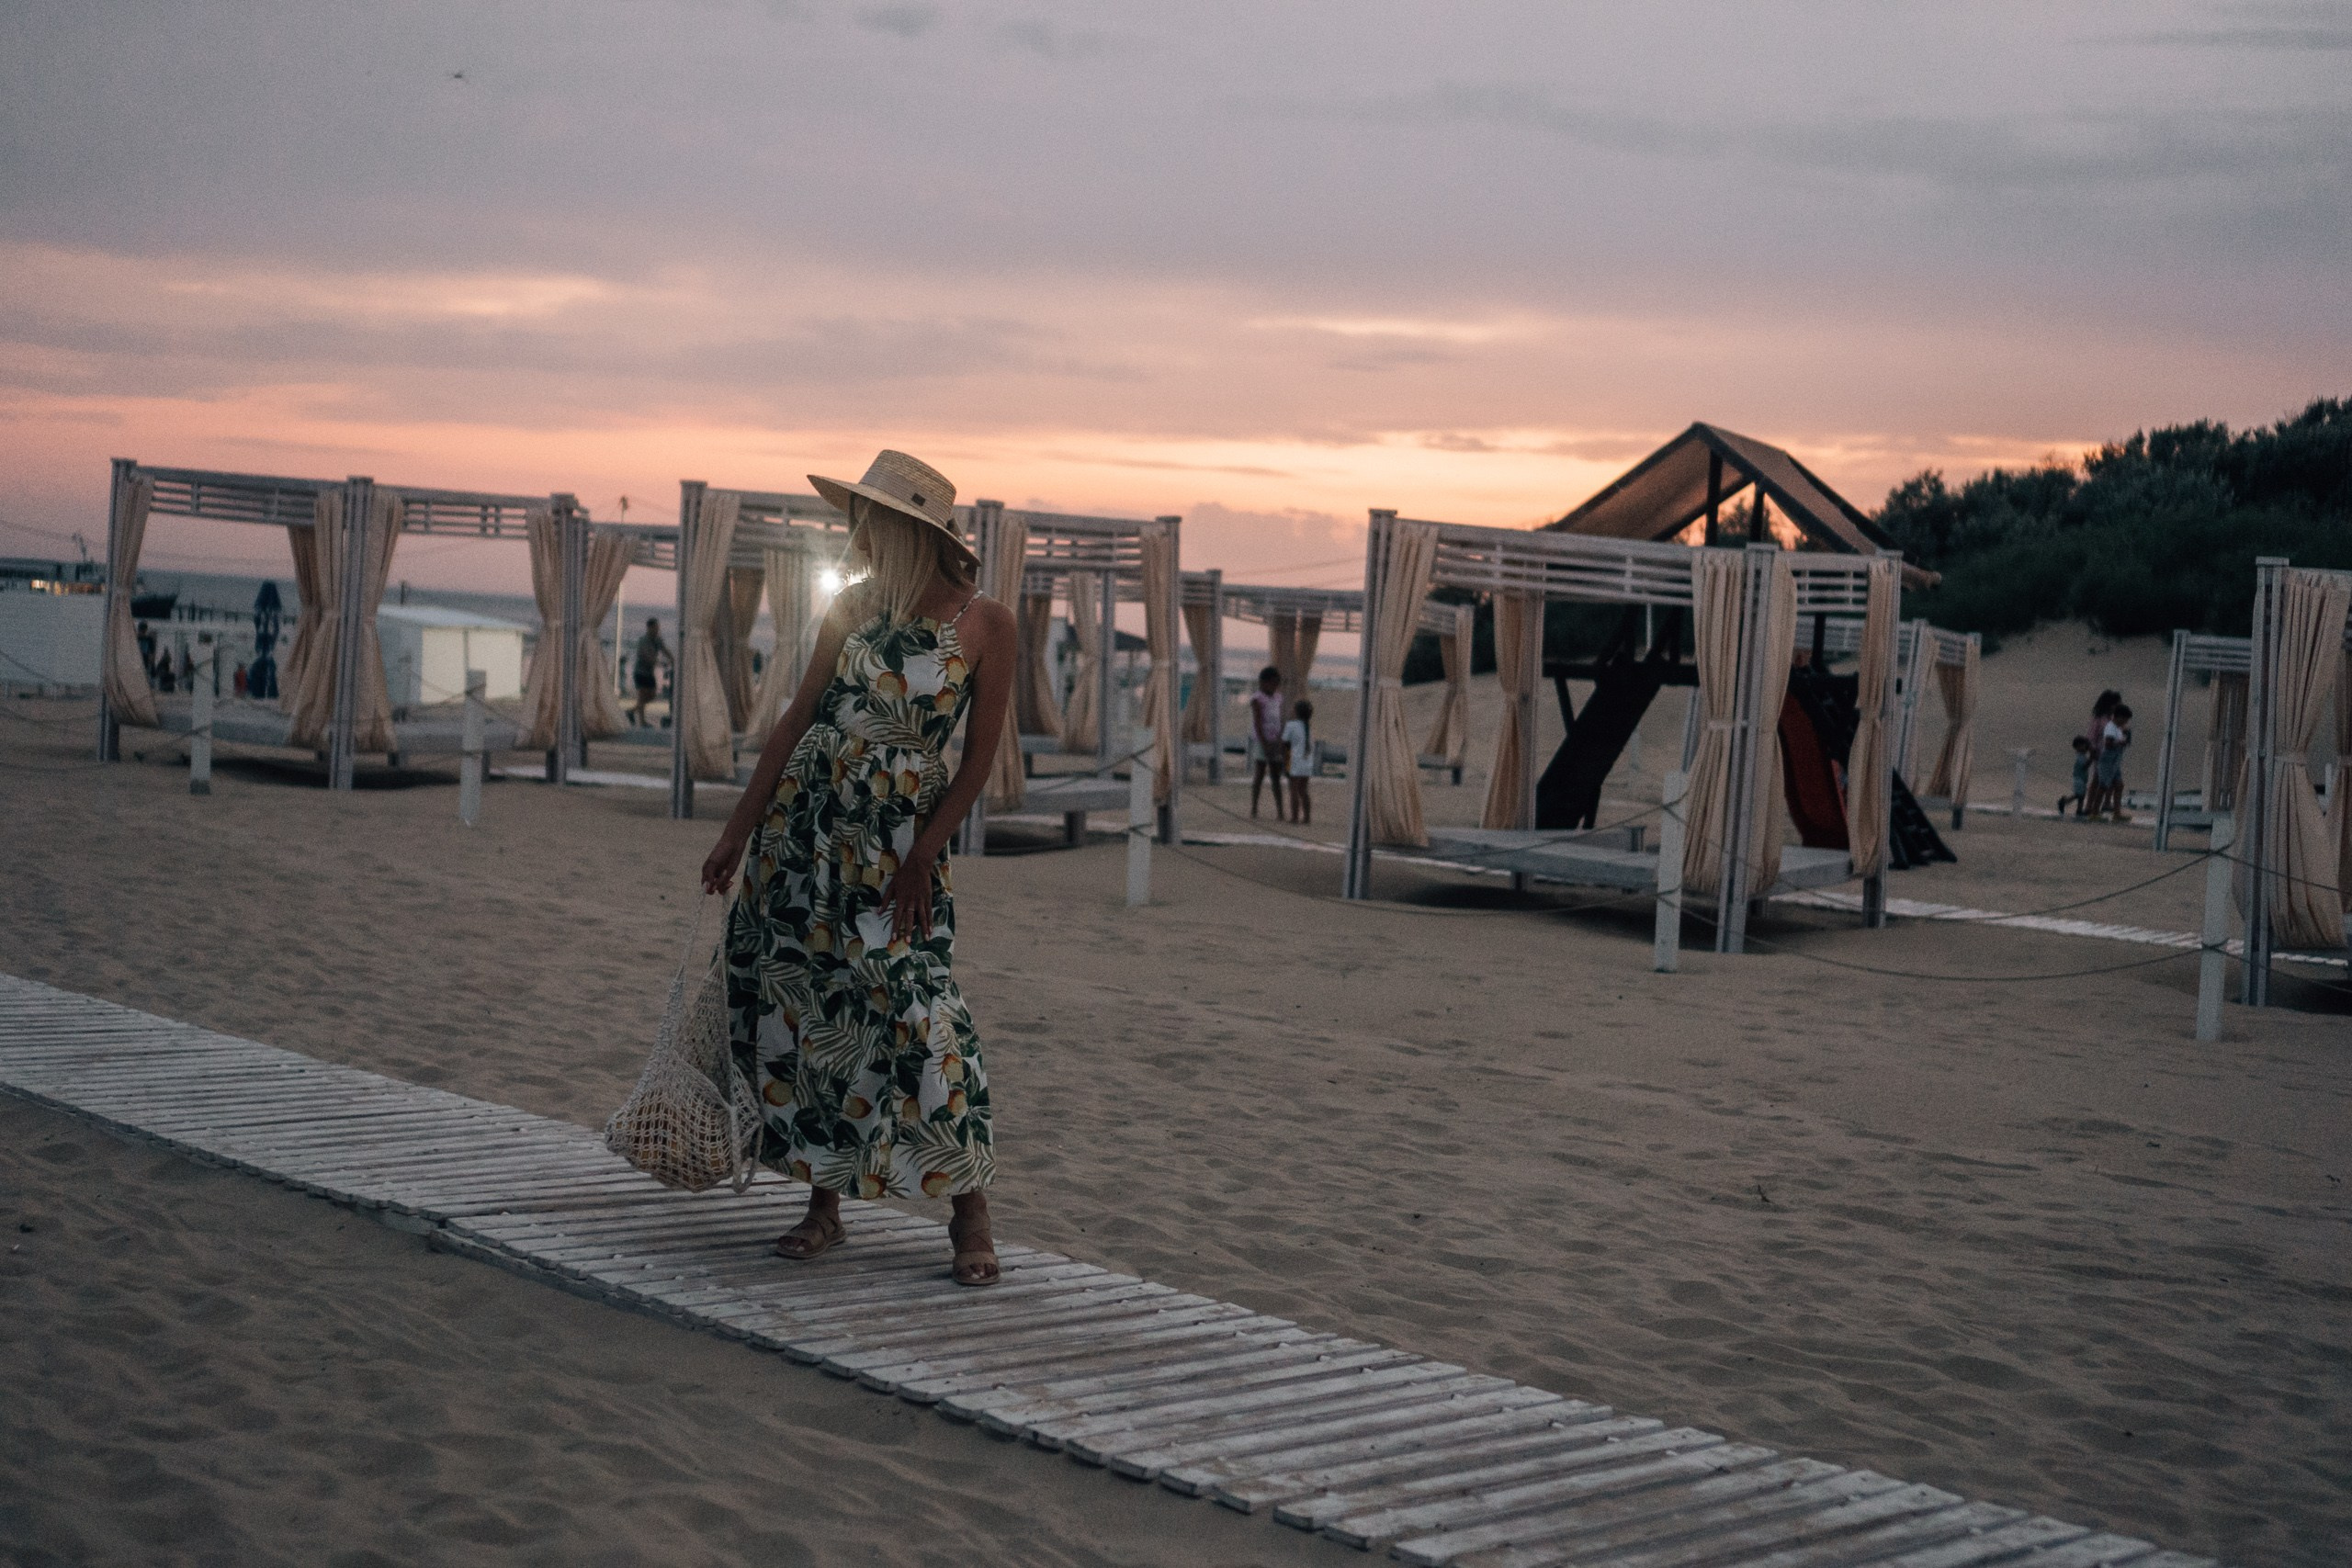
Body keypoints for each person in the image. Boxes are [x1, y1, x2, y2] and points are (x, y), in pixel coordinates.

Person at [699, 450, 1016, 1288]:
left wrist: (924, 852)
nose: (858, 532)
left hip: (897, 854)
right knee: (806, 1014)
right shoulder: (849, 608)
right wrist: (737, 833)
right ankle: (822, 1205)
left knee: (921, 1014)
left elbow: (978, 763)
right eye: (857, 518)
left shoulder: (985, 625)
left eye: (871, 519)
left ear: (911, 529)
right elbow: (793, 723)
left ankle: (970, 1210)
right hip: (805, 844)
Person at [1247, 665, 1285, 818]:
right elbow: (1257, 722)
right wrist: (1264, 742)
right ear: (1263, 682)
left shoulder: (1278, 698)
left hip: (1275, 739)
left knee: (1276, 776)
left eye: (1277, 684)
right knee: (1260, 774)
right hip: (1262, 740)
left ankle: (1280, 811)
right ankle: (1254, 808)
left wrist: (1279, 739)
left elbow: (1279, 719)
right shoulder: (1257, 699)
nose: (1275, 687)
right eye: (1272, 683)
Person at [2080, 689, 2120, 816]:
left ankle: (2105, 804)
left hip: (2112, 754)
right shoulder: (2099, 718)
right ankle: (2090, 807)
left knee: (2109, 780)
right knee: (2098, 780)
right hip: (2100, 754)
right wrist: (2093, 751)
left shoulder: (2113, 719)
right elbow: (2091, 736)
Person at [1281, 698, 1316, 824]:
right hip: (1307, 761)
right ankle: (1307, 817)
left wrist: (1285, 763)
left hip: (1295, 760)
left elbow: (1285, 744)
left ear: (1296, 712)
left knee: (1293, 790)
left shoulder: (1291, 725)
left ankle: (1294, 817)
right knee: (1303, 790)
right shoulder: (1308, 727)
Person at [629, 618, 670, 727]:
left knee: (652, 695)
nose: (657, 630)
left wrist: (673, 659)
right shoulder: (643, 641)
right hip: (641, 672)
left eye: (658, 628)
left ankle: (631, 712)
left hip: (649, 673)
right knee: (642, 696)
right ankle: (642, 722)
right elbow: (647, 657)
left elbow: (665, 650)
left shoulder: (657, 640)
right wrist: (661, 663)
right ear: (649, 628)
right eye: (655, 627)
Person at [2096, 705, 2132, 821]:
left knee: (2119, 785)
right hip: (2108, 761)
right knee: (2103, 786)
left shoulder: (2117, 728)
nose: (2126, 722)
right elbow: (2108, 744)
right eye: (2125, 719)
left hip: (2115, 762)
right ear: (2119, 717)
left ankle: (2117, 813)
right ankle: (2095, 812)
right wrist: (2119, 743)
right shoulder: (2111, 727)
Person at [2059, 734, 2092, 818]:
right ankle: (2064, 801)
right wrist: (2091, 759)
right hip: (2078, 779)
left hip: (2082, 779)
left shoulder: (2083, 756)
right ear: (2078, 747)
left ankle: (2079, 810)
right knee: (2078, 795)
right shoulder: (2080, 757)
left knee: (2082, 795)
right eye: (2084, 746)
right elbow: (2084, 766)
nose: (2086, 748)